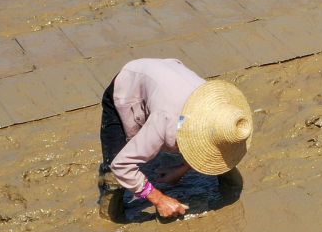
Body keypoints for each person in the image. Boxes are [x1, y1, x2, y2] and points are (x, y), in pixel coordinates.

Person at [97, 58, 253, 220]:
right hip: (128, 87)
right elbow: (121, 165)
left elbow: (208, 147)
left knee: (222, 151)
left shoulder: (227, 115)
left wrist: (181, 169)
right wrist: (158, 199)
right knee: (113, 174)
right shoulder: (167, 122)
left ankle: (230, 187)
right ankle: (111, 216)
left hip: (169, 77)